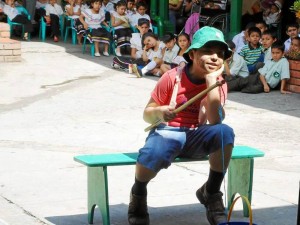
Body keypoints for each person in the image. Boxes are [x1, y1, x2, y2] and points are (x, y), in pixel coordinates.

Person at [128, 26, 234, 225]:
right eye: (207, 52)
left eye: (220, 54)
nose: (214, 58)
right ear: (192, 54)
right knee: (151, 154)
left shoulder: (218, 82)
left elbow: (215, 120)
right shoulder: (172, 77)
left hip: (196, 135)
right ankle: (138, 193)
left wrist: (211, 81)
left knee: (224, 132)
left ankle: (211, 192)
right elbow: (146, 115)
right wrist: (160, 111)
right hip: (168, 132)